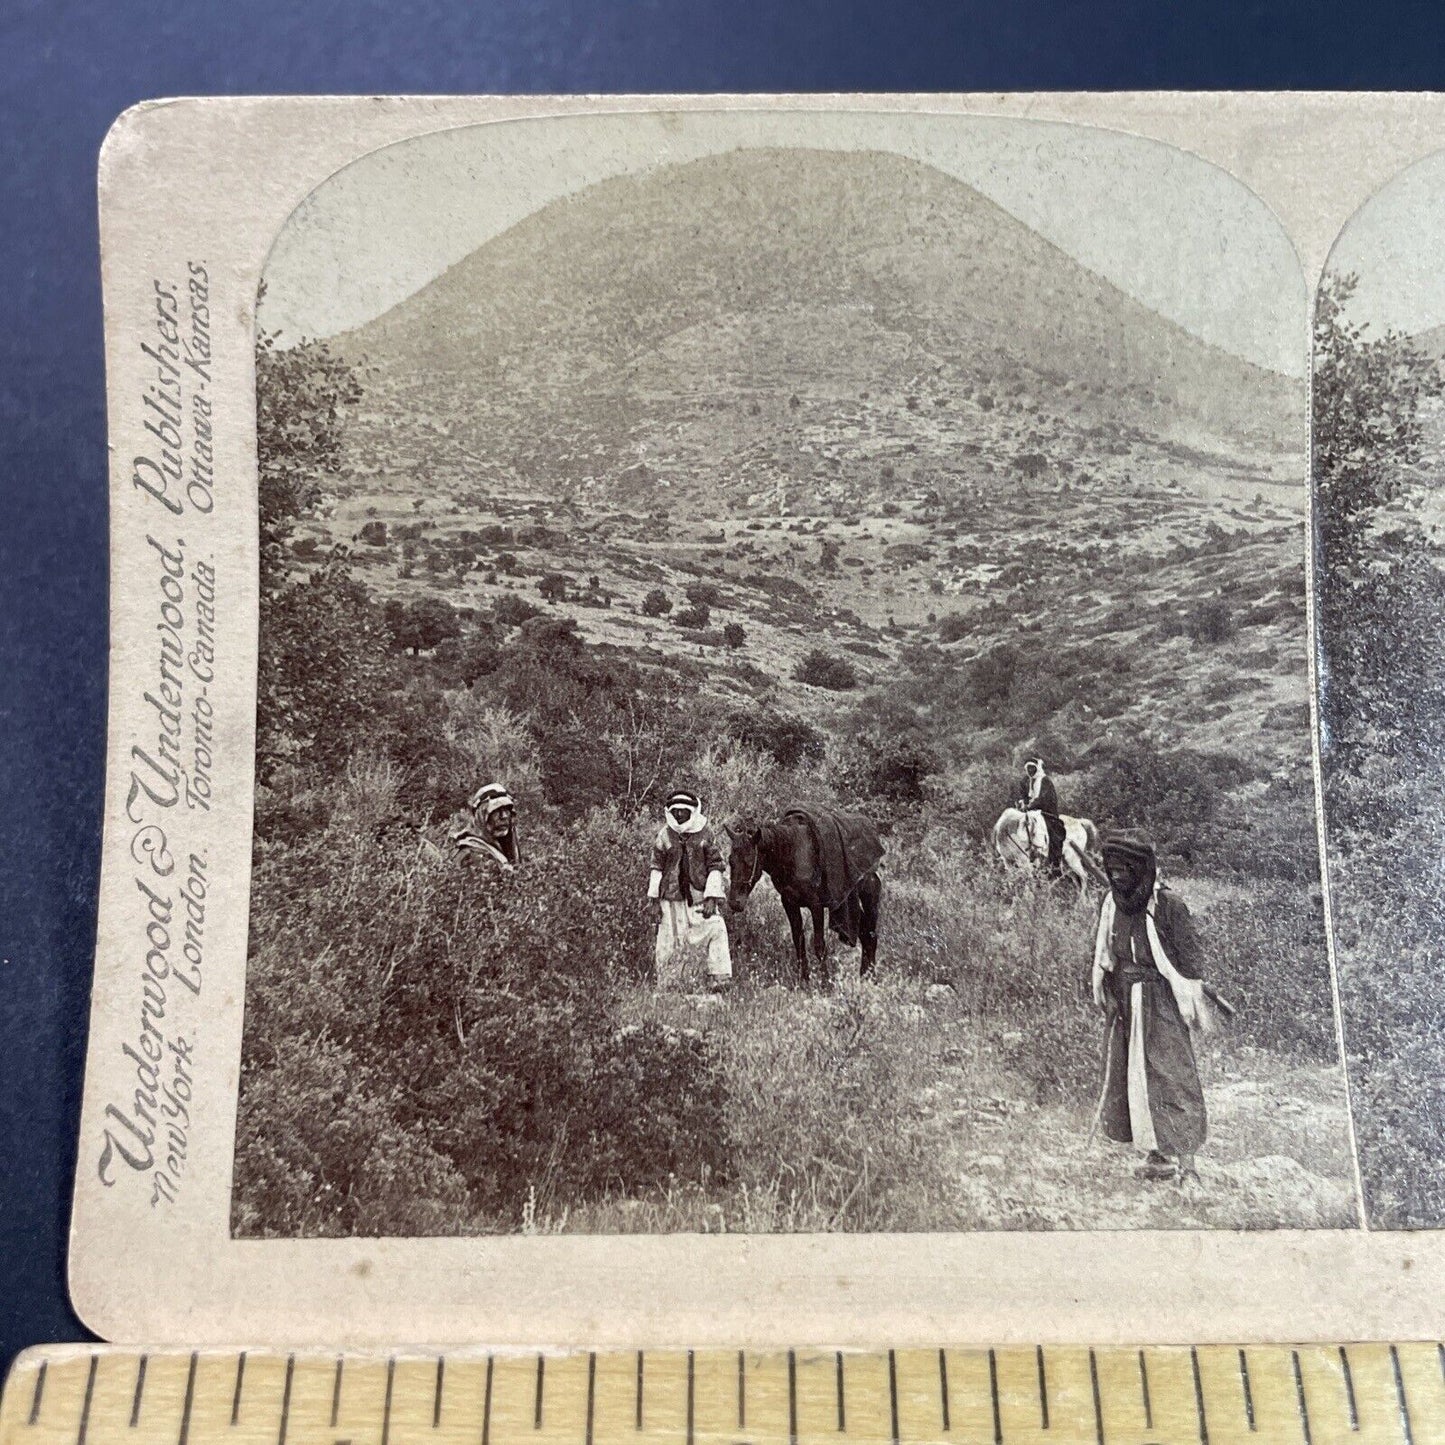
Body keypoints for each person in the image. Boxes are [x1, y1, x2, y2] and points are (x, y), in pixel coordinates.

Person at [1089, 831, 1224, 1186]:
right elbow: (1107, 955)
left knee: (1173, 1077)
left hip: (1161, 1001)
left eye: (1124, 870)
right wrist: (1110, 990)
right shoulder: (1111, 904)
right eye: (1112, 870)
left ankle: (1188, 1166)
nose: (1117, 877)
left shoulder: (1169, 907)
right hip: (1126, 1000)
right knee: (1134, 1077)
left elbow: (1191, 962)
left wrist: (1183, 995)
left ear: (1140, 869)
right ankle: (1156, 1153)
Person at [647, 788, 732, 992]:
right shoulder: (664, 835)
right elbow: (656, 867)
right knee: (669, 939)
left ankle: (719, 979)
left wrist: (712, 897)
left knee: (715, 928)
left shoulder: (705, 832)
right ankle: (670, 984)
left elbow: (715, 865)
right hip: (671, 898)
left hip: (699, 897)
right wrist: (654, 901)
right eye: (675, 810)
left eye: (683, 810)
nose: (678, 814)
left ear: (692, 811)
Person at [450, 782, 522, 871]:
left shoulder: (505, 846)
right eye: (496, 811)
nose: (504, 816)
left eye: (507, 810)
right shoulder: (469, 853)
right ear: (482, 816)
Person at [1018, 756, 1066, 875]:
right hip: (1034, 811)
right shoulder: (1028, 781)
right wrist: (1023, 802)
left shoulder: (1045, 781)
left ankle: (1054, 863)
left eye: (1032, 768)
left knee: (1053, 832)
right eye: (1028, 769)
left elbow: (1041, 799)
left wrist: (1029, 806)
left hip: (1047, 812)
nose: (1030, 771)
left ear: (1037, 768)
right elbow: (1026, 796)